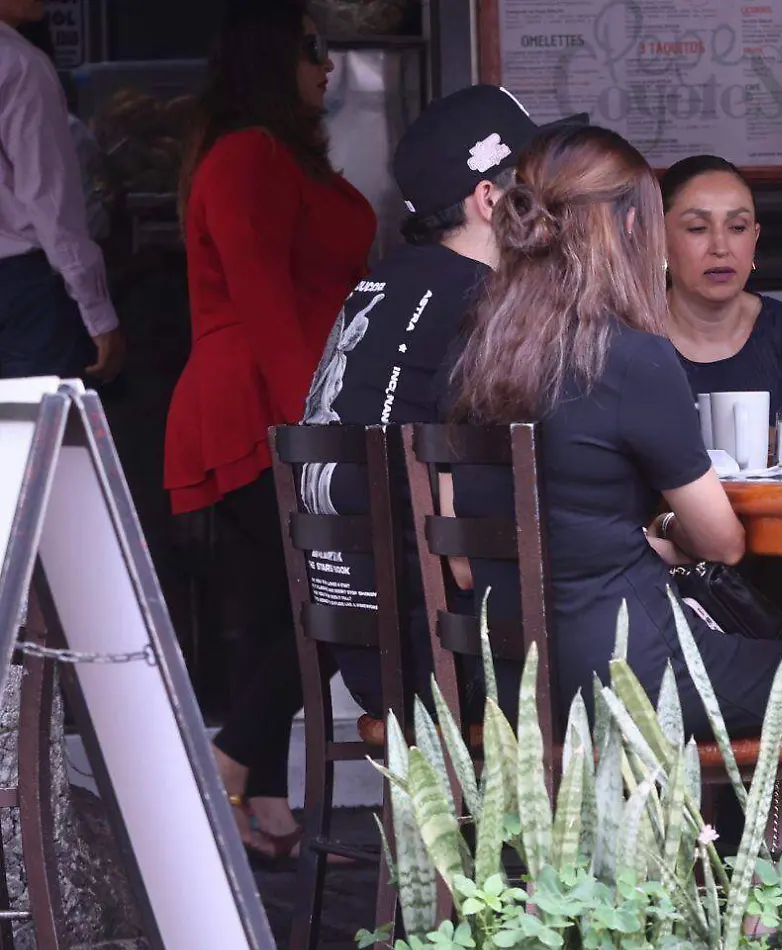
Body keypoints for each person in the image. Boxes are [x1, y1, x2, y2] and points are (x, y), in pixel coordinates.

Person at [436, 125, 782, 736]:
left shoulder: (470, 355)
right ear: (630, 229)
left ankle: (758, 837)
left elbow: (465, 567)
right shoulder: (630, 358)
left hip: (512, 677)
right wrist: (666, 535)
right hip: (632, 669)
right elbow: (723, 542)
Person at [167, 2, 376, 861]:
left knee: (284, 608)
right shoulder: (247, 156)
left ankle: (256, 793)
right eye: (311, 53)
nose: (326, 67)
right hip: (261, 405)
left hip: (285, 398)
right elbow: (262, 304)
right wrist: (312, 434)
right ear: (271, 60)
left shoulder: (277, 157)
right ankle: (222, 763)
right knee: (335, 600)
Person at [298, 84, 550, 718]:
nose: (554, 203)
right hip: (449, 658)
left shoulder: (379, 285)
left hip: (360, 646)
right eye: (538, 182)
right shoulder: (486, 307)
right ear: (491, 200)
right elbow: (468, 564)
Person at [661, 154, 782, 414]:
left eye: (737, 228)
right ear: (658, 239)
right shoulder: (622, 341)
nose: (720, 247)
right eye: (697, 228)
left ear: (755, 237)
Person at [0, 0, 124, 381]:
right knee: (39, 435)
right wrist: (98, 313)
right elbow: (50, 202)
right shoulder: (19, 65)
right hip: (23, 293)